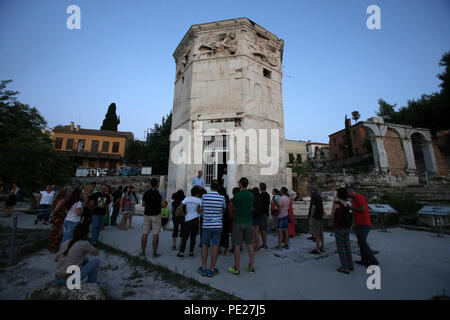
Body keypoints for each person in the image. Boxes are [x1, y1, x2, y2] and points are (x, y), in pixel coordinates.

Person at [198, 180, 226, 277]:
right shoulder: (222, 197)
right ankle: (212, 268)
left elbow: (201, 208)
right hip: (218, 224)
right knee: (215, 246)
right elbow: (224, 209)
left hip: (206, 224)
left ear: (210, 187)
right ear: (218, 187)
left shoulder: (204, 197)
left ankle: (204, 267)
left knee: (205, 245)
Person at [229, 177, 255, 276]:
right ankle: (251, 266)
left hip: (238, 221)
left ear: (240, 184)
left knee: (236, 245)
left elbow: (232, 207)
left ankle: (237, 268)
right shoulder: (251, 195)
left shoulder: (237, 195)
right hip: (248, 221)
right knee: (250, 244)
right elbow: (251, 206)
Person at [348, 186, 379, 266]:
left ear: (352, 191)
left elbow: (363, 209)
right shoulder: (354, 199)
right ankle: (364, 259)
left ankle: (373, 261)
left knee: (363, 242)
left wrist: (352, 208)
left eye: (349, 193)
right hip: (359, 223)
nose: (348, 195)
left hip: (364, 223)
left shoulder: (360, 197)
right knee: (360, 242)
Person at [331, 188, 354, 274]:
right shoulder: (347, 204)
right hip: (347, 227)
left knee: (341, 247)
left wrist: (331, 222)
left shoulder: (337, 204)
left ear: (339, 194)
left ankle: (345, 267)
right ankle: (350, 264)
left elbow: (332, 215)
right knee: (347, 245)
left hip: (339, 227)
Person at [140, 178, 163, 258]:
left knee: (144, 233)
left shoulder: (146, 192)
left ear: (150, 184)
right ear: (157, 184)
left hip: (147, 214)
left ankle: (143, 252)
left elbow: (143, 204)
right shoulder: (160, 192)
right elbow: (163, 204)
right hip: (156, 215)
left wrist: (149, 205)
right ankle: (154, 253)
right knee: (155, 234)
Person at [177, 186, 202, 257]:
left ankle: (181, 252)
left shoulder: (186, 198)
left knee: (185, 236)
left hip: (187, 218)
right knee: (193, 237)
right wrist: (198, 211)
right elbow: (202, 208)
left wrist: (183, 214)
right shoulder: (198, 200)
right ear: (197, 193)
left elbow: (180, 207)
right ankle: (191, 252)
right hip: (196, 218)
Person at [49, 186, 72, 253]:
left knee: (58, 232)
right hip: (59, 218)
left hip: (60, 218)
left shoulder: (62, 199)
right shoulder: (62, 200)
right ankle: (54, 248)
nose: (70, 193)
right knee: (57, 233)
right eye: (70, 191)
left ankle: (54, 247)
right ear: (66, 192)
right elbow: (56, 209)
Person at [308, 186, 325, 254]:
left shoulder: (314, 197)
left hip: (316, 217)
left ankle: (317, 248)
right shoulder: (318, 196)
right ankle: (322, 247)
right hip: (320, 216)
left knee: (317, 233)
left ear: (312, 190)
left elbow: (313, 207)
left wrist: (311, 216)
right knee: (321, 232)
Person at [218, 186, 231, 256]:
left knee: (219, 233)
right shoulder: (226, 197)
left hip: (219, 217)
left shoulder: (218, 197)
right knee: (225, 233)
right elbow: (228, 206)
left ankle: (219, 248)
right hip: (225, 217)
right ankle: (226, 249)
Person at [251, 187, 263, 251]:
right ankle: (257, 246)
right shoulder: (260, 199)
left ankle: (254, 245)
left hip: (253, 216)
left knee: (253, 232)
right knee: (257, 232)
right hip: (258, 216)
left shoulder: (252, 199)